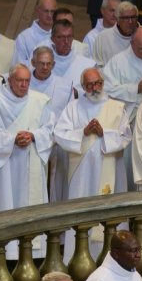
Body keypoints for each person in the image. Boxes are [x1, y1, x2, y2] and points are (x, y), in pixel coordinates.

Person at [0, 63, 55, 259]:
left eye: (27, 81)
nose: (24, 85)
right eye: (20, 81)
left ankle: (36, 252)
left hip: (32, 161)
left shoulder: (40, 100)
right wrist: (13, 138)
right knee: (8, 202)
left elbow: (50, 129)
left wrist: (33, 135)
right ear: (10, 80)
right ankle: (7, 252)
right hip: (8, 163)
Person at [55, 67, 130, 199]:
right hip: (81, 169)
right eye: (89, 85)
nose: (94, 88)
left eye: (97, 83)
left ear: (102, 83)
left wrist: (104, 134)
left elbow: (126, 136)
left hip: (109, 164)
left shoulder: (116, 107)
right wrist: (83, 132)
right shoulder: (73, 107)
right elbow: (60, 134)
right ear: (83, 87)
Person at [49, 21, 95, 93]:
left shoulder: (88, 65)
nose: (66, 41)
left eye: (69, 37)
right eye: (61, 37)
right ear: (52, 39)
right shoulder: (44, 64)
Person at [28, 45, 71, 119]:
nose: (45, 67)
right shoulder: (22, 80)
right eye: (42, 63)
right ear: (33, 63)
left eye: (48, 64)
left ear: (53, 65)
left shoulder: (66, 87)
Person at [91, 0, 138, 65]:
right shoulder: (103, 38)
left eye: (133, 17)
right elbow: (96, 65)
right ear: (117, 20)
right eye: (126, 18)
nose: (130, 22)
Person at [14, 0, 56, 66]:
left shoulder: (60, 37)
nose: (49, 15)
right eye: (46, 11)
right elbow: (18, 66)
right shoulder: (24, 37)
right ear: (37, 11)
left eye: (52, 11)